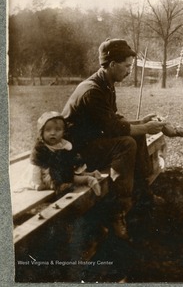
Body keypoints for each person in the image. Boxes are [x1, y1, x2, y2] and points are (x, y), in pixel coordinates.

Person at [62, 38, 166, 240]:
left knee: (136, 135)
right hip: (75, 152)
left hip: (92, 143)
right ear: (112, 65)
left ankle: (142, 194)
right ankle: (117, 212)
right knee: (126, 143)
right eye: (127, 66)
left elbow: (112, 120)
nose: (129, 71)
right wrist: (143, 126)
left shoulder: (106, 84)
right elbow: (113, 128)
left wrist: (140, 122)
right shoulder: (92, 91)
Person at [30, 111, 102, 196]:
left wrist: (80, 170)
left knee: (71, 174)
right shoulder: (41, 148)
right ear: (42, 132)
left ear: (63, 132)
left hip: (64, 174)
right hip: (48, 175)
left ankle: (89, 178)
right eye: (48, 130)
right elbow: (36, 167)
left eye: (58, 129)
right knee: (53, 176)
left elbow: (72, 161)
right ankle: (60, 187)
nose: (53, 133)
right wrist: (37, 183)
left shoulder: (65, 145)